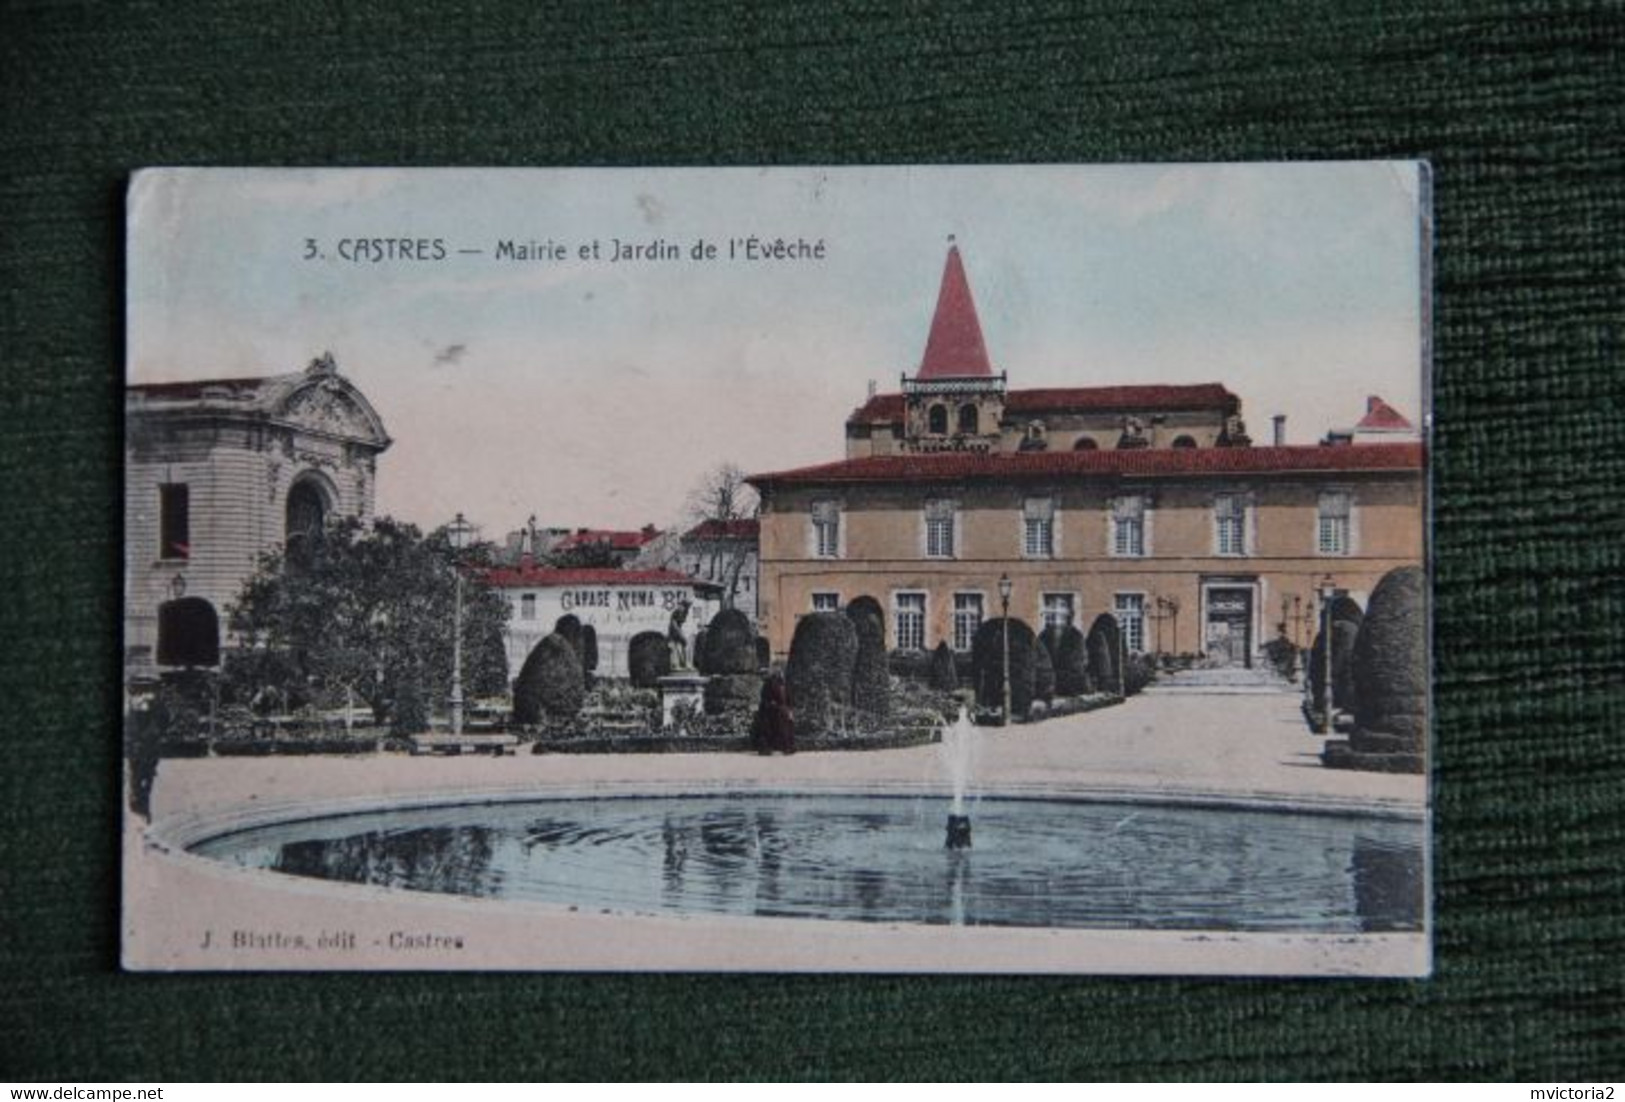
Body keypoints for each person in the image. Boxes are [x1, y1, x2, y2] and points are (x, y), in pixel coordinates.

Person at [753, 670, 795, 755]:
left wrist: (789, 710)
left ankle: (787, 747)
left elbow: (788, 699)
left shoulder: (785, 686)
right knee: (768, 728)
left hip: (781, 711)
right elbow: (766, 699)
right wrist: (774, 706)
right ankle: (767, 748)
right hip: (770, 711)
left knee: (786, 726)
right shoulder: (769, 684)